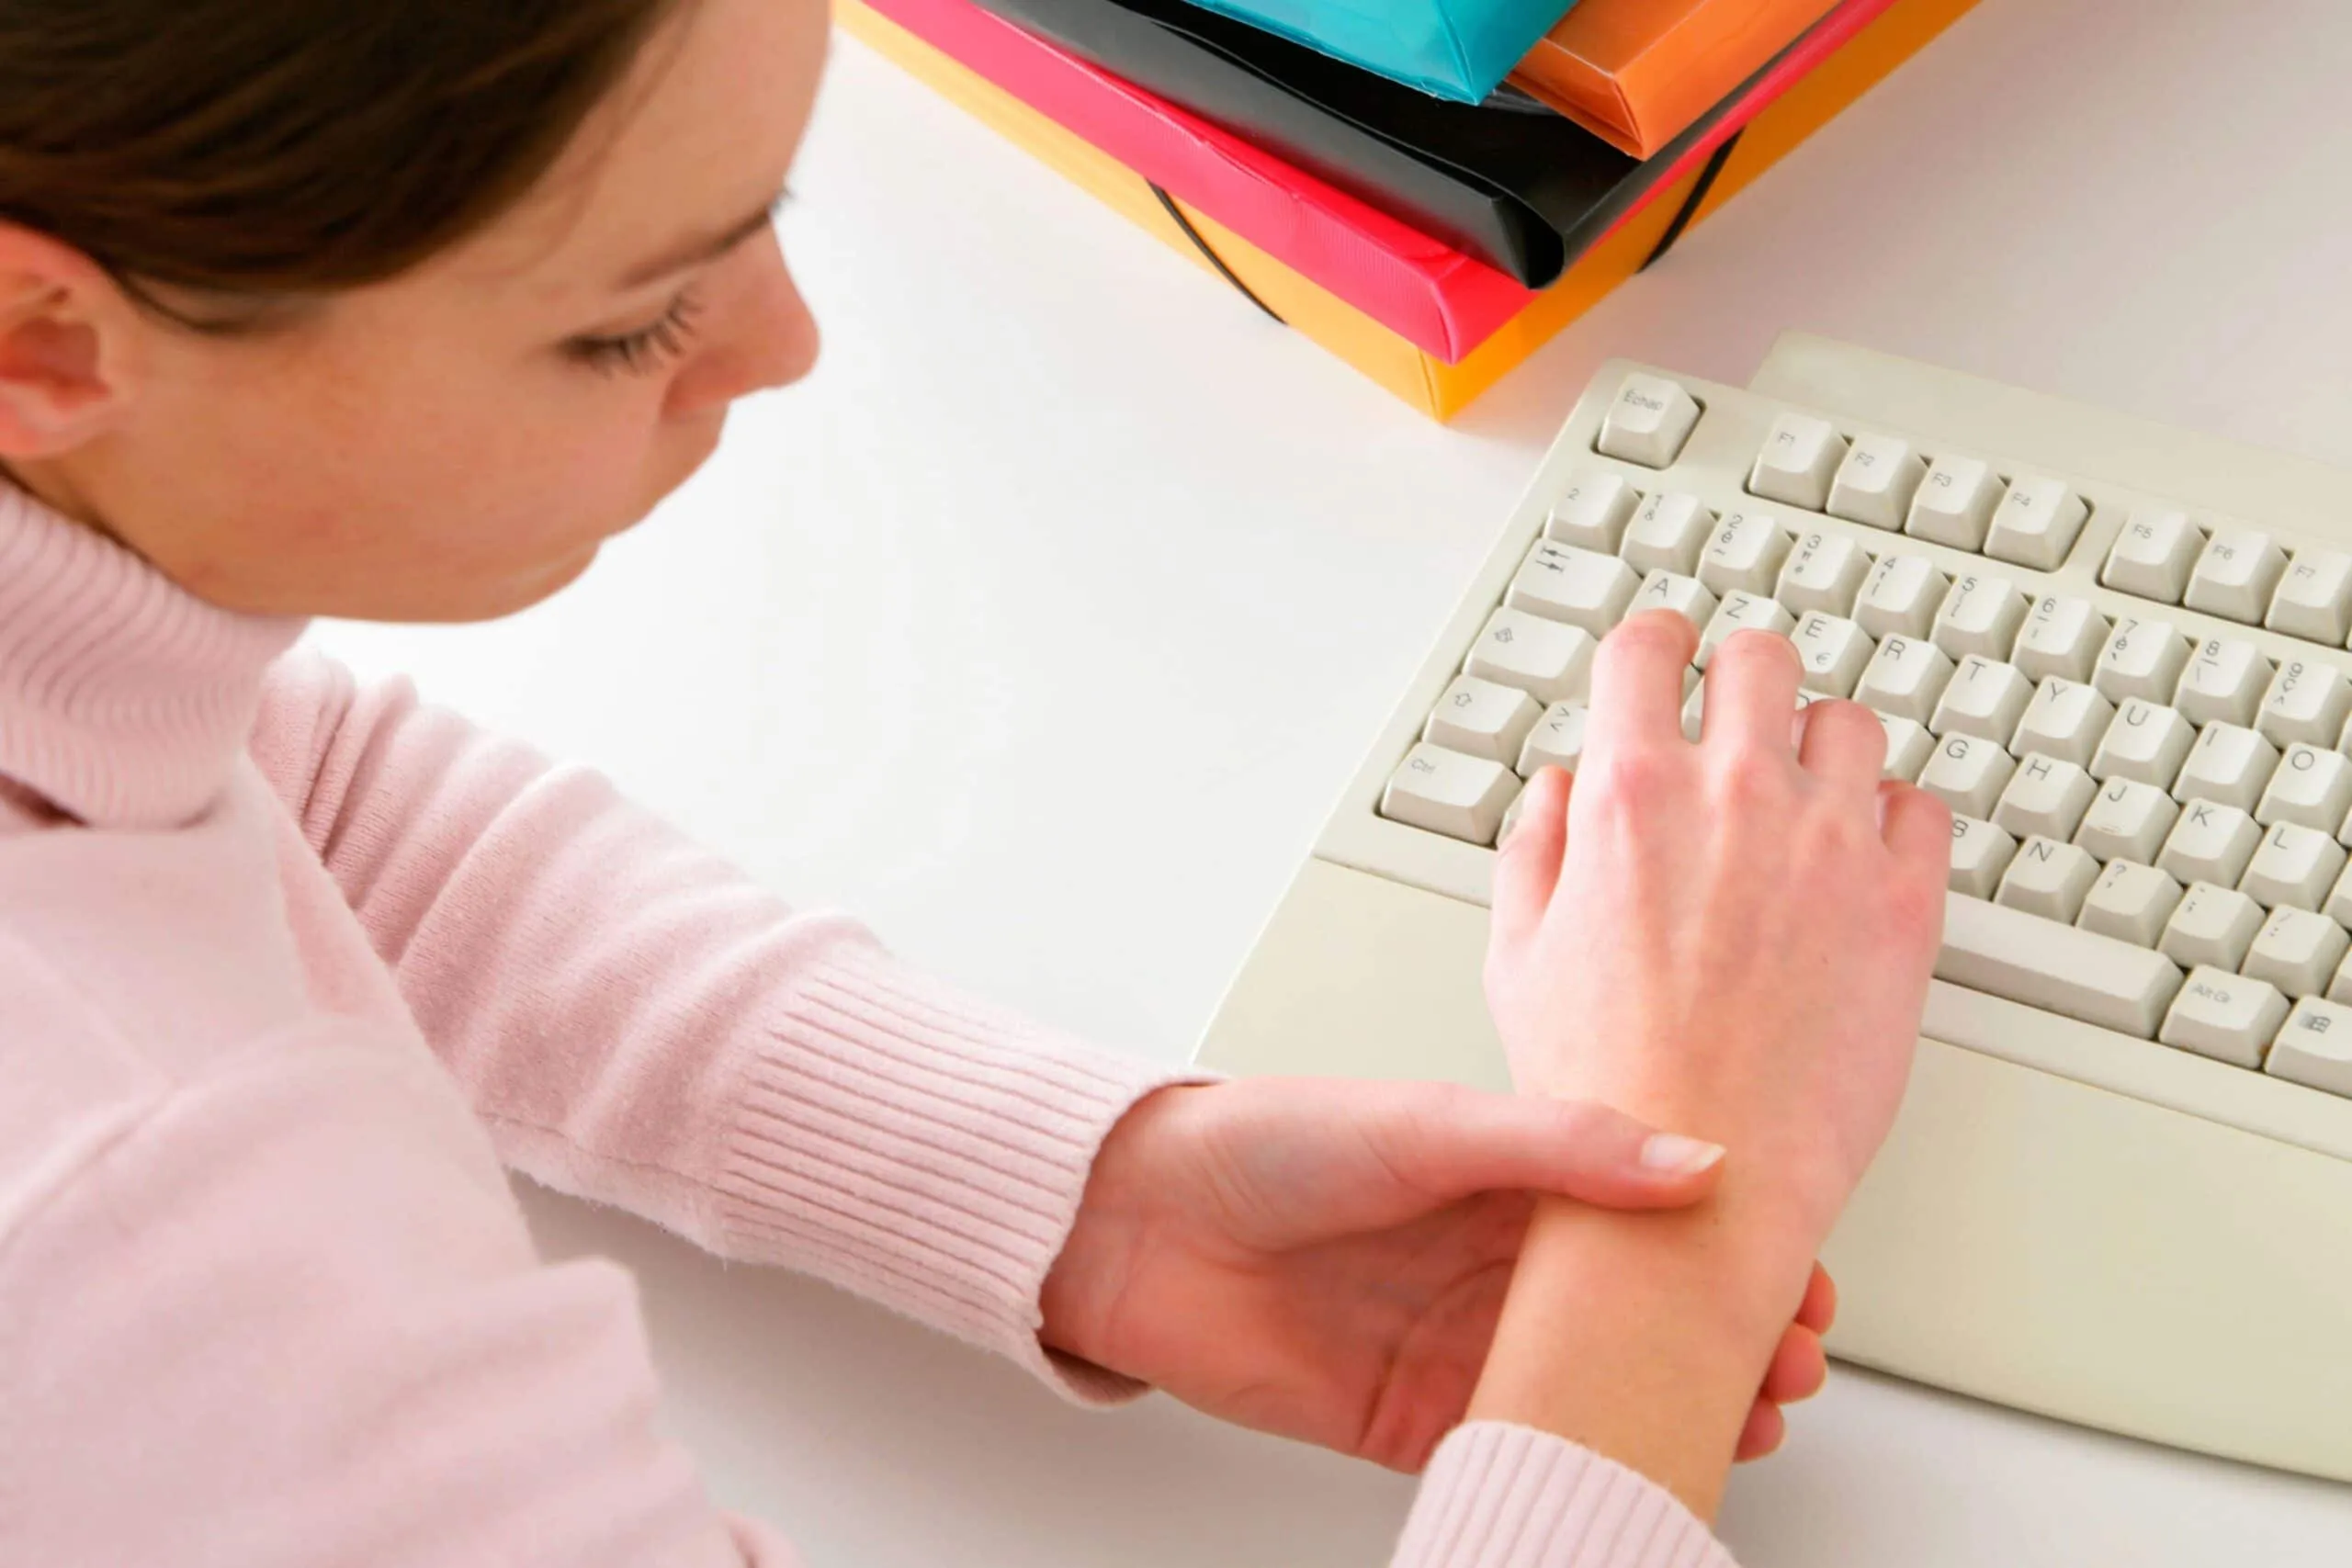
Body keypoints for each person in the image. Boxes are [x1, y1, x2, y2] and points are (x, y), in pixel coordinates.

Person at [0, 1, 1949, 1563]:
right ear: (41, 338)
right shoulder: (123, 1247)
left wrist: (1096, 1205)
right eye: (628, 320)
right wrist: (1668, 1278)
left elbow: (260, 784)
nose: (783, 347)